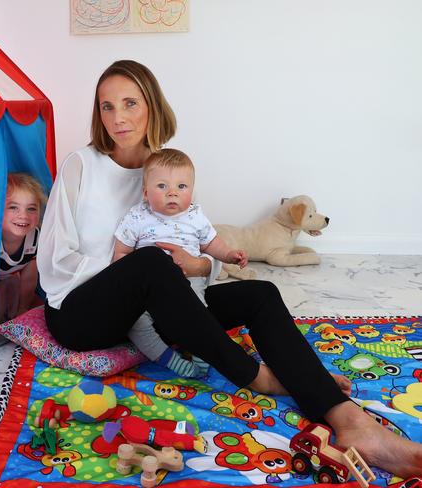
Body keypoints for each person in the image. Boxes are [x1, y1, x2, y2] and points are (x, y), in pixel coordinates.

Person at [38, 59, 422, 477]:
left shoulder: (164, 169)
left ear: (151, 106)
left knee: (259, 294)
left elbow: (199, 244)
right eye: (107, 106)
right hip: (81, 314)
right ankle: (254, 375)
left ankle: (350, 421)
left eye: (130, 103)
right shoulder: (82, 164)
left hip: (151, 307)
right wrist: (136, 273)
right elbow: (54, 259)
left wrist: (196, 264)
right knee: (150, 262)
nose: (118, 117)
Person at [113, 148, 248, 378]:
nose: (172, 193)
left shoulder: (195, 216)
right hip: (149, 289)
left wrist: (228, 255)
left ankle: (200, 351)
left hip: (189, 280)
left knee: (197, 313)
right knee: (134, 322)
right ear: (146, 193)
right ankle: (168, 359)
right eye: (162, 186)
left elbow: (211, 243)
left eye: (181, 187)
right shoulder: (137, 217)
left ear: (192, 192)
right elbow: (121, 253)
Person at [0, 173, 46, 323]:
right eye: (13, 207)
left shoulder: (35, 237)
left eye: (31, 209)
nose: (23, 215)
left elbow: (29, 280)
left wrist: (22, 308)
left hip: (9, 278)